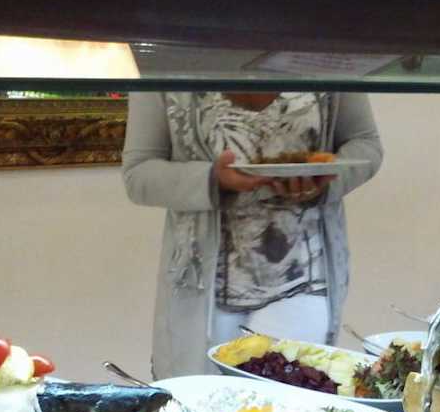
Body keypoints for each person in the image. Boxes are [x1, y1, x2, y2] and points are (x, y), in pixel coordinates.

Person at [121, 92, 383, 378]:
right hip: (202, 289)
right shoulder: (165, 67)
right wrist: (212, 180)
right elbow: (138, 174)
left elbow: (366, 145)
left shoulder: (330, 63)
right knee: (206, 401)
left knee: (292, 400)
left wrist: (324, 179)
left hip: (303, 278)